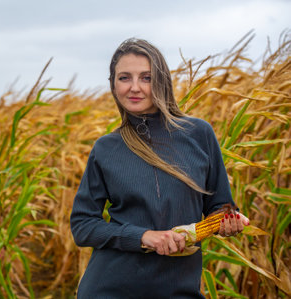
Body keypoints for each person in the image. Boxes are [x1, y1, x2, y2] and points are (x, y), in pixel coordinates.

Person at [69, 38, 249, 298]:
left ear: (162, 81)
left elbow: (220, 207)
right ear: (113, 84)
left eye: (146, 77)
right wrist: (144, 237)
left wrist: (228, 221)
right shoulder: (106, 148)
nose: (134, 88)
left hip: (178, 289)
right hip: (109, 289)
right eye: (124, 78)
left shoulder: (199, 134)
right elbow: (83, 225)